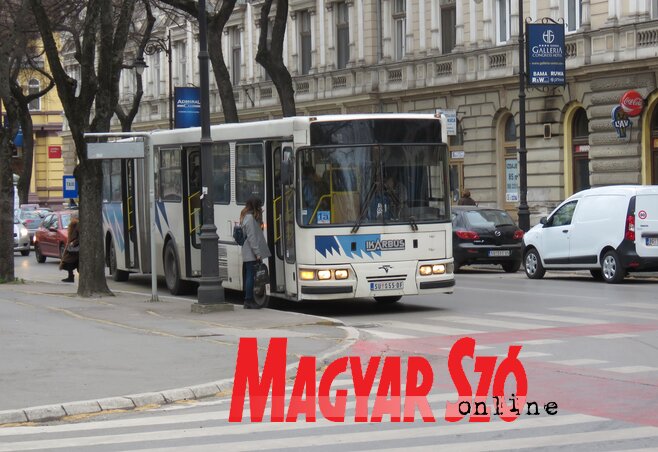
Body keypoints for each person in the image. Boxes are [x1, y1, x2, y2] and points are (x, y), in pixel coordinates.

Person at [240, 198, 271, 309]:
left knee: (253, 276)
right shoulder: (249, 218)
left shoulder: (250, 216)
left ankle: (251, 299)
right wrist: (257, 253)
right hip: (251, 252)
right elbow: (252, 238)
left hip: (251, 251)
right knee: (250, 276)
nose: (261, 208)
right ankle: (248, 300)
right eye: (259, 206)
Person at [59, 217, 80, 283]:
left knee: (68, 262)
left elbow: (79, 237)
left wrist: (73, 243)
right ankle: (70, 276)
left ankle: (71, 277)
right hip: (74, 249)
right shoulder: (74, 226)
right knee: (70, 262)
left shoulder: (77, 226)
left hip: (75, 248)